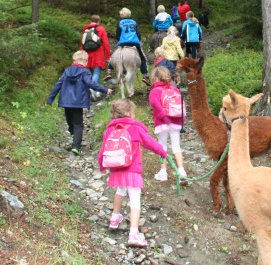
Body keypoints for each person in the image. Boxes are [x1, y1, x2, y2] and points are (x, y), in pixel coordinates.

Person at [98, 99, 167, 247]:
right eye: (133, 112)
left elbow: (103, 150)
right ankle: (133, 234)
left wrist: (101, 166)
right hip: (132, 169)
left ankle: (114, 218)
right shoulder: (135, 128)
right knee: (135, 200)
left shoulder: (110, 129)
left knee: (120, 190)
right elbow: (149, 142)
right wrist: (163, 152)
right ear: (129, 113)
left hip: (116, 168)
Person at [47, 50, 113, 156]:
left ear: (74, 60)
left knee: (70, 120)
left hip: (66, 101)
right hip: (78, 102)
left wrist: (50, 99)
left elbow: (57, 85)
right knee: (78, 124)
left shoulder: (67, 71)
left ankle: (74, 135)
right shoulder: (85, 72)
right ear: (85, 62)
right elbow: (91, 83)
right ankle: (76, 147)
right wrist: (105, 90)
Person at [149, 66, 187, 182]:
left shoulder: (155, 91)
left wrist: (164, 118)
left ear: (155, 78)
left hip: (162, 123)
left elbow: (156, 106)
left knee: (162, 147)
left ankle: (163, 172)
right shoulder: (174, 90)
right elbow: (182, 104)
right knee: (177, 147)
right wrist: (182, 119)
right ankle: (181, 172)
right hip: (176, 122)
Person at [115, 7, 151, 86]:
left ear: (121, 15)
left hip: (123, 43)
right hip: (134, 43)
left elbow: (117, 34)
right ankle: (145, 75)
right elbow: (138, 34)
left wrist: (119, 40)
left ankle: (109, 70)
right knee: (143, 58)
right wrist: (137, 40)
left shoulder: (120, 23)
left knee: (114, 55)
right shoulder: (134, 22)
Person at [81, 15, 111, 100]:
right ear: (98, 21)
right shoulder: (101, 29)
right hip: (98, 54)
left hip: (87, 54)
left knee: (90, 73)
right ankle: (93, 89)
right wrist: (108, 55)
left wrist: (82, 54)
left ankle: (94, 91)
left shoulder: (85, 29)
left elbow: (82, 43)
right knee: (97, 73)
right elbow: (105, 43)